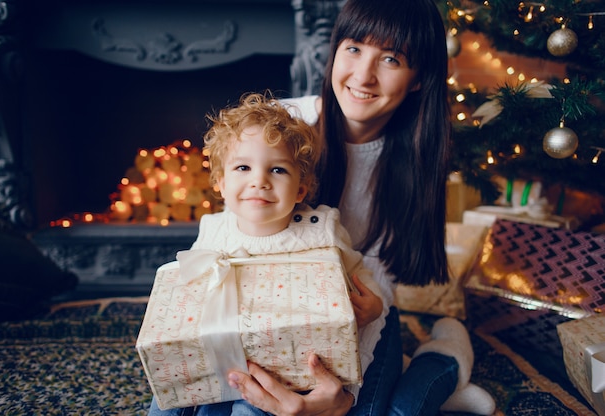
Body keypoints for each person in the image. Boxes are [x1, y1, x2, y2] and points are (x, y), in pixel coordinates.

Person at [219, 0, 497, 415]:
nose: (363, 75)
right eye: (353, 48)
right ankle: (401, 373)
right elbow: (236, 226)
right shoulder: (281, 126)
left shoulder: (415, 155)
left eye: (390, 58)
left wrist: (368, 316)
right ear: (335, 52)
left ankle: (442, 358)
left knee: (399, 411)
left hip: (362, 315)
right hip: (270, 313)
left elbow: (383, 269)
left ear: (418, 77)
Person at [147, 92, 385, 416]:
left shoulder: (321, 228)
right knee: (168, 402)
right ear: (220, 182)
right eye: (243, 167)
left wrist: (371, 305)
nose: (259, 181)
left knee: (251, 410)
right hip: (224, 352)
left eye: (278, 171)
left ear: (300, 189)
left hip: (287, 365)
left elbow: (359, 271)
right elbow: (193, 288)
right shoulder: (214, 229)